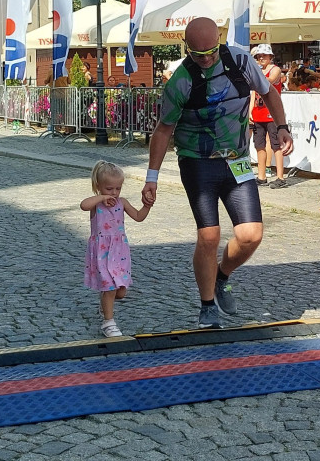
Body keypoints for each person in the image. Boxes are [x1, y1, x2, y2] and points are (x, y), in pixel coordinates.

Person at [142, 17, 294, 330]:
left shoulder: (240, 61)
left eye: (212, 52)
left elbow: (270, 93)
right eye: (199, 55)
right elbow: (163, 130)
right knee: (209, 237)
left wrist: (281, 127)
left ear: (220, 41)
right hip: (197, 162)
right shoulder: (180, 82)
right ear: (188, 49)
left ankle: (222, 276)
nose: (207, 59)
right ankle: (207, 305)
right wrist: (152, 178)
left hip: (237, 160)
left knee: (251, 235)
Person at [81, 160, 150, 338]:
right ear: (98, 186)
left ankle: (105, 305)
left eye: (117, 188)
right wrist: (102, 198)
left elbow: (138, 216)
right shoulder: (96, 205)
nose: (114, 193)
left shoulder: (122, 202)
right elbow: (84, 205)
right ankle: (108, 323)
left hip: (119, 252)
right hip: (102, 251)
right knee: (110, 287)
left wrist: (147, 206)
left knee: (120, 291)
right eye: (109, 189)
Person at [249, 44, 286, 189]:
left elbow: (269, 81)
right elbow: (253, 93)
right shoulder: (257, 70)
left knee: (276, 145)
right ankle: (261, 176)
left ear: (270, 57)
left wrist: (255, 74)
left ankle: (280, 177)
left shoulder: (275, 69)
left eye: (264, 55)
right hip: (258, 113)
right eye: (259, 56)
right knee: (259, 145)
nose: (261, 58)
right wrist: (250, 111)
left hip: (271, 114)